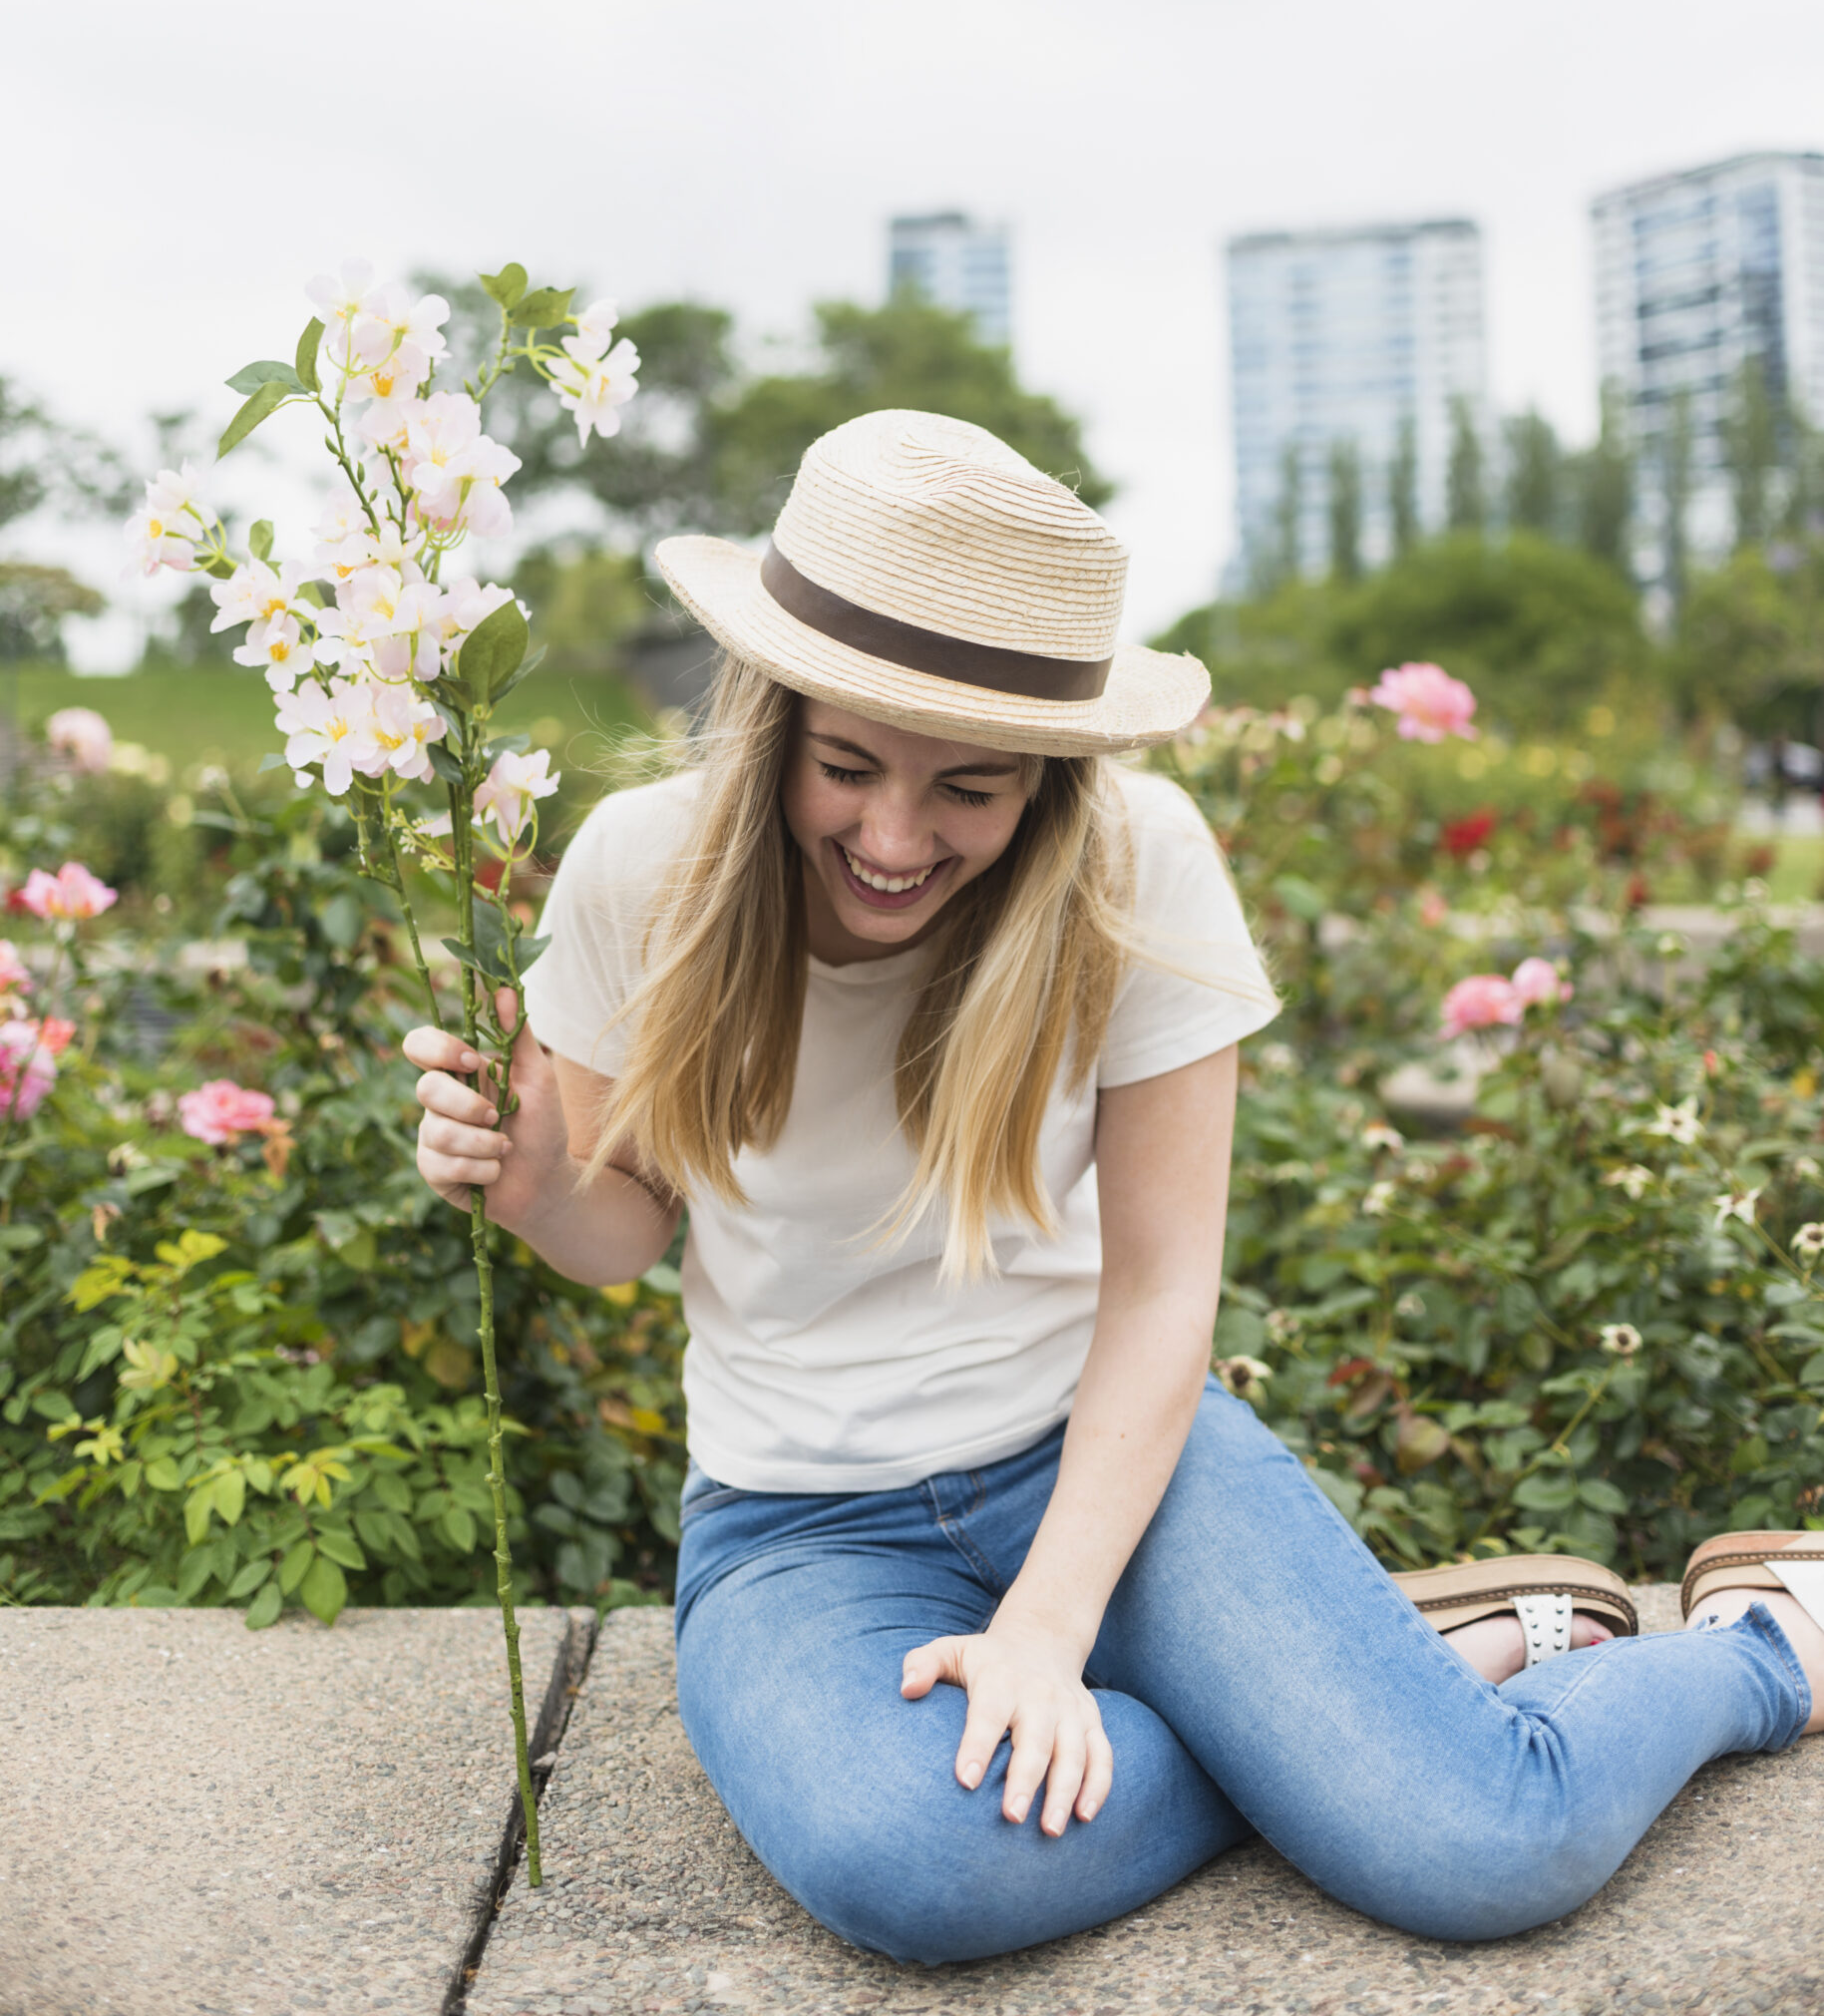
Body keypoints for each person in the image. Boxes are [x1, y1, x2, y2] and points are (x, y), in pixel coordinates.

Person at [405, 410, 1821, 1967]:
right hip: (798, 1529)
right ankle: (1389, 1693)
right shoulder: (637, 870)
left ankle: (1763, 1642)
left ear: (1053, 781)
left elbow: (1158, 1290)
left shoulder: (1135, 864)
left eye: (970, 789)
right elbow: (623, 1240)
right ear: (770, 723)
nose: (890, 838)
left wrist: (1044, 1629)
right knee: (913, 1865)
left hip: (1100, 1460)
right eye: (846, 766)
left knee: (1487, 1845)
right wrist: (536, 1187)